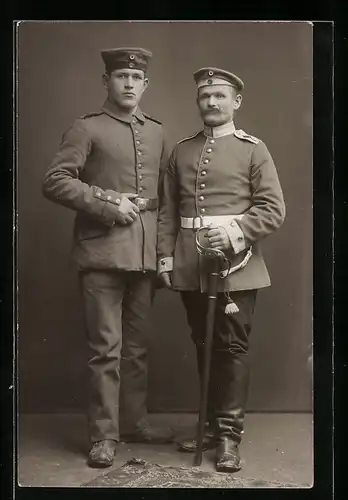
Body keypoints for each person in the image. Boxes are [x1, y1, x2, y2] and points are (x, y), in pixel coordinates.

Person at [42, 47, 174, 468]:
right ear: (107, 82)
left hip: (145, 254)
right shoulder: (86, 127)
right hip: (101, 251)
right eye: (121, 77)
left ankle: (134, 423)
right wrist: (106, 201)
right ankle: (103, 435)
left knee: (136, 348)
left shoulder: (156, 131)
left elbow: (165, 201)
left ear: (146, 85)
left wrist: (164, 251)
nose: (129, 84)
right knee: (106, 349)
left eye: (136, 79)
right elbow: (56, 181)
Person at [157, 67, 286, 473]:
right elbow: (168, 210)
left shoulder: (253, 149)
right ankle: (211, 426)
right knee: (203, 344)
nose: (211, 103)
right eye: (205, 96)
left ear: (236, 102)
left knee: (230, 349)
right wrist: (166, 257)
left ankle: (229, 436)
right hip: (192, 263)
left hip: (237, 266)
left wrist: (233, 232)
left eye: (220, 96)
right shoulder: (182, 150)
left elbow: (272, 209)